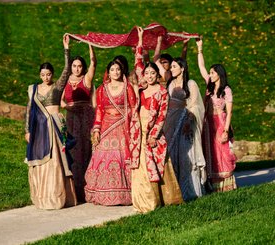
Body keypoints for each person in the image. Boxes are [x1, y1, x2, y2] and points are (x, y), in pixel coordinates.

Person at [129, 27, 184, 213]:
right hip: (138, 131)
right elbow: (138, 61)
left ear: (157, 75)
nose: (150, 76)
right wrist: (140, 39)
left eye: (153, 74)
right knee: (140, 164)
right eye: (147, 73)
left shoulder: (161, 91)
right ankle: (143, 201)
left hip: (153, 132)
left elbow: (162, 114)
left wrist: (154, 134)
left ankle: (161, 199)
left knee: (158, 162)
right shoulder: (141, 89)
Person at [24, 35, 77, 209]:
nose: (45, 77)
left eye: (48, 74)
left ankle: (59, 196)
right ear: (39, 75)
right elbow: (29, 109)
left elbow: (67, 70)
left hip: (54, 127)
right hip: (39, 129)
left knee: (57, 160)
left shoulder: (57, 86)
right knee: (42, 160)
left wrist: (66, 50)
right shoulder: (33, 89)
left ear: (52, 75)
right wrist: (27, 130)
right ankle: (42, 196)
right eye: (42, 74)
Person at [84, 60, 137, 206]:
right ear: (108, 72)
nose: (116, 72)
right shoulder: (102, 89)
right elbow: (100, 110)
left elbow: (133, 108)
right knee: (103, 158)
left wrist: (127, 119)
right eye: (113, 69)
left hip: (122, 127)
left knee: (120, 158)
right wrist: (96, 129)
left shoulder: (128, 88)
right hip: (106, 128)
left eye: (118, 69)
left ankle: (124, 194)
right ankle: (102, 192)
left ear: (121, 71)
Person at [162, 57, 207, 201]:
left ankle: (190, 191)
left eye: (174, 66)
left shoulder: (190, 84)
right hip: (171, 122)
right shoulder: (170, 83)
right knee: (172, 154)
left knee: (185, 155)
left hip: (185, 121)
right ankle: (174, 192)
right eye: (172, 67)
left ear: (182, 68)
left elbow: (196, 105)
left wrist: (188, 120)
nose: (171, 69)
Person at [196, 38, 237, 192]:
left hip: (220, 122)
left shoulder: (226, 90)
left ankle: (225, 184)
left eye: (212, 73)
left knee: (221, 151)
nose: (210, 74)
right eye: (210, 73)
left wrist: (226, 130)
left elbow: (230, 110)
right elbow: (201, 66)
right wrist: (200, 49)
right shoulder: (209, 85)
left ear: (219, 74)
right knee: (210, 150)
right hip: (208, 123)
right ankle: (211, 184)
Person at [60, 37, 96, 203]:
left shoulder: (86, 79)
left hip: (85, 118)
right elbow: (59, 101)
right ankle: (74, 190)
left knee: (85, 149)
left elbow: (94, 63)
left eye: (79, 66)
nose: (76, 68)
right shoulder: (66, 80)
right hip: (71, 118)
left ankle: (88, 188)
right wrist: (68, 107)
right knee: (73, 151)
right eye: (74, 66)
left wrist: (91, 44)